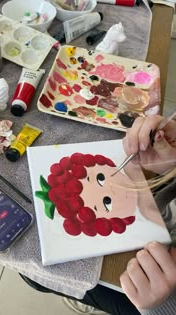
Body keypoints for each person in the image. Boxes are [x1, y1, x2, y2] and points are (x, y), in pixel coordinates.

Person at [19, 114, 176, 315]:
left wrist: (164, 307)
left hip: (157, 292)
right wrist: (172, 162)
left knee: (35, 278)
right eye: (101, 177)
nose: (110, 189)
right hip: (162, 222)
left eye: (106, 202)